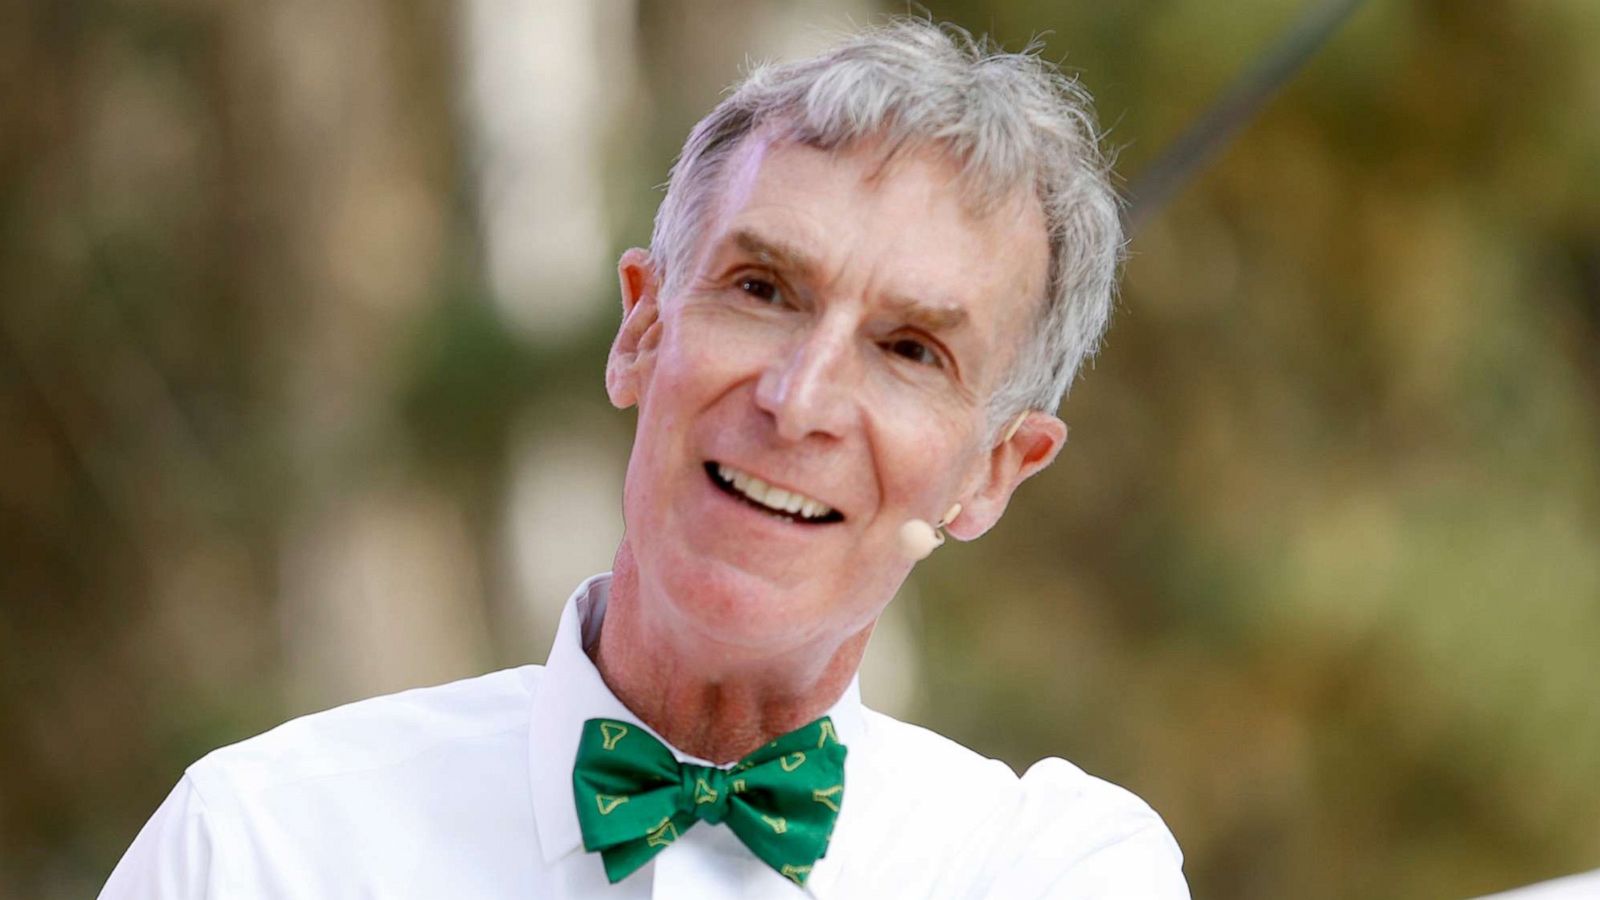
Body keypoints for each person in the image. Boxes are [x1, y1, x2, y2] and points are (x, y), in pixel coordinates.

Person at [102, 19, 1188, 899]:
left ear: (994, 472)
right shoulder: (259, 844)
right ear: (642, 330)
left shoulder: (1051, 870)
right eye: (762, 291)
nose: (797, 399)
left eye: (909, 350)